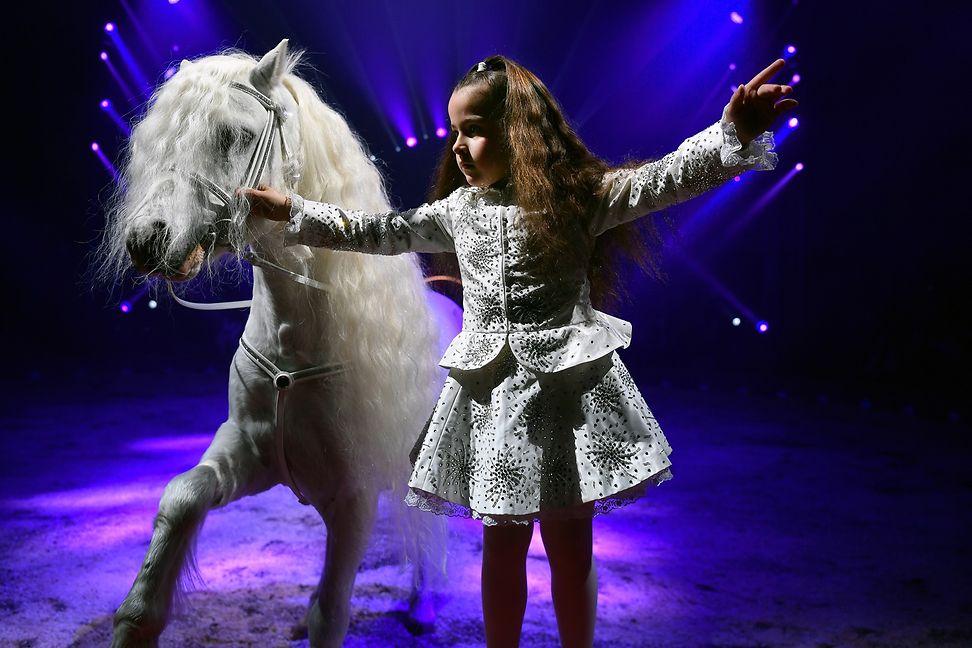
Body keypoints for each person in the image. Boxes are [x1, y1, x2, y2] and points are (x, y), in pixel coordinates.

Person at [243, 54, 796, 648]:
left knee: (568, 546)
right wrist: (296, 212)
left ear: (520, 134)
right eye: (455, 130)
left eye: (474, 129)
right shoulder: (459, 212)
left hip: (566, 396)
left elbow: (667, 178)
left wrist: (732, 133)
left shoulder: (579, 199)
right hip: (493, 404)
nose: (458, 145)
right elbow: (381, 231)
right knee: (501, 549)